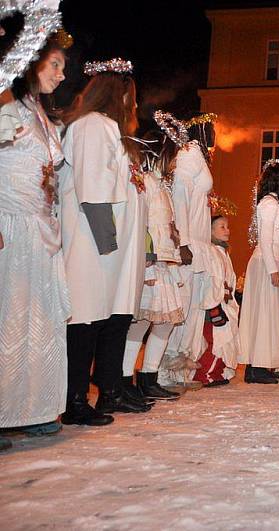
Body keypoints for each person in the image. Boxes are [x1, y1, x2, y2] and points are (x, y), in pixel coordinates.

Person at [59, 58, 148, 423]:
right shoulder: (93, 126)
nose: (135, 105)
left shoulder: (115, 132)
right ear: (118, 95)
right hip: (94, 242)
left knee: (109, 318)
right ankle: (74, 400)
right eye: (132, 97)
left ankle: (108, 392)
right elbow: (93, 185)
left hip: (113, 247)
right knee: (84, 319)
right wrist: (108, 242)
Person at [0, 37, 70, 448]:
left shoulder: (39, 112)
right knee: (9, 318)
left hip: (41, 232)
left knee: (39, 322)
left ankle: (34, 408)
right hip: (11, 225)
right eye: (55, 64)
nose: (62, 74)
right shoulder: (6, 103)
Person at [122, 131, 183, 402]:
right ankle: (125, 379)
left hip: (165, 261)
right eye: (174, 157)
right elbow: (140, 222)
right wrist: (146, 254)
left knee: (165, 322)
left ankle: (149, 376)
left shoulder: (161, 186)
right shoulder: (144, 182)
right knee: (142, 322)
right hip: (150, 261)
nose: (176, 164)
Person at [160, 113, 217, 385]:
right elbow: (179, 195)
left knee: (193, 309)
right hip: (189, 241)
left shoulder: (200, 157)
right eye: (211, 129)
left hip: (199, 241)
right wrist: (182, 241)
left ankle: (180, 368)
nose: (216, 135)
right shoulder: (189, 153)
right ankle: (164, 370)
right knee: (182, 307)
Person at [239, 159, 279, 384]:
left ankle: (260, 364)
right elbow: (265, 240)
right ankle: (256, 367)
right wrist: (273, 269)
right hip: (264, 264)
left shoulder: (277, 206)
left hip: (271, 263)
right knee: (262, 315)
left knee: (269, 316)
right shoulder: (268, 204)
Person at [192, 213, 241, 385]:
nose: (227, 230)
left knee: (225, 339)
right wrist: (215, 301)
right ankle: (204, 374)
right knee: (215, 341)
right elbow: (212, 280)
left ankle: (218, 371)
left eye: (227, 227)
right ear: (210, 231)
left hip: (225, 302)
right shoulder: (212, 252)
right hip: (215, 305)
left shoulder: (223, 253)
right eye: (222, 227)